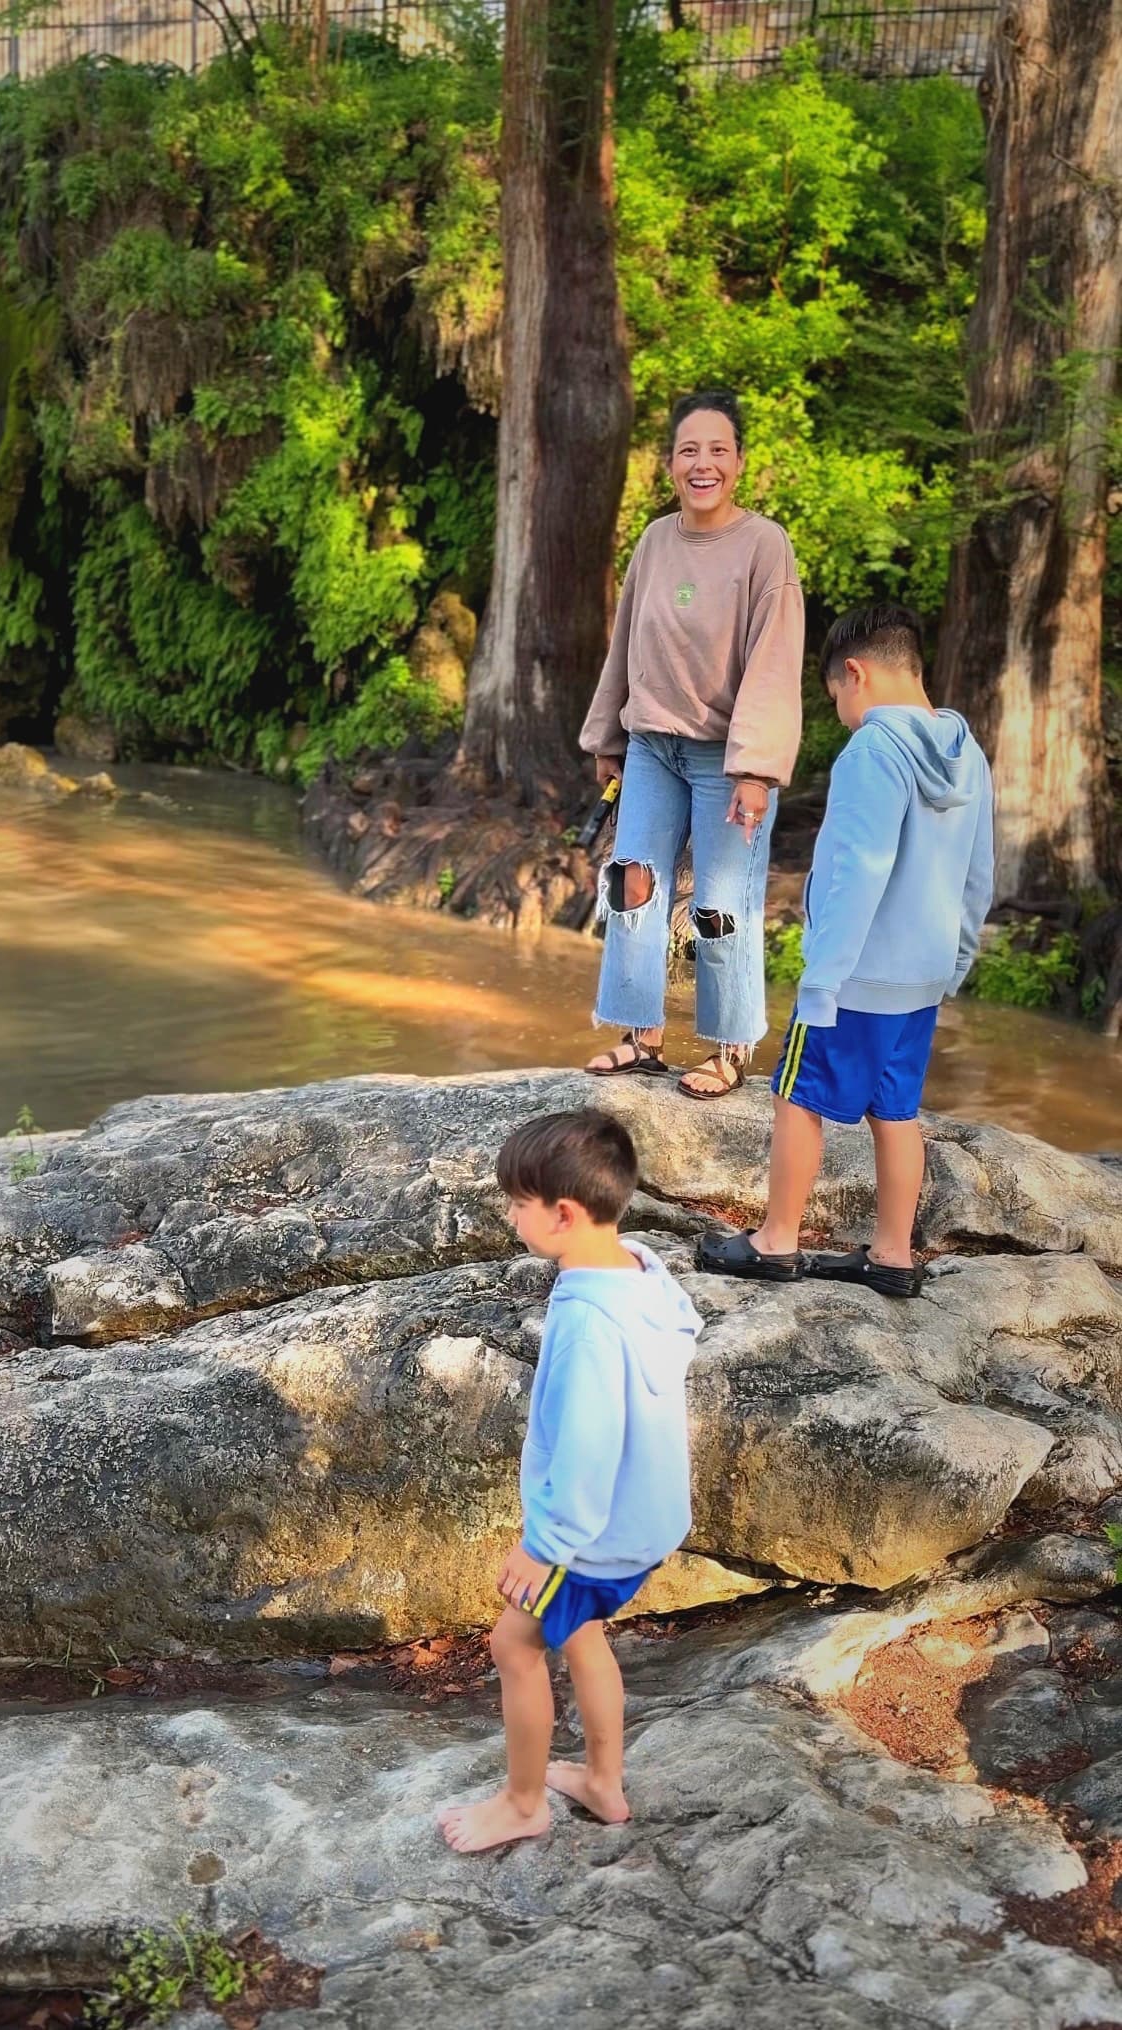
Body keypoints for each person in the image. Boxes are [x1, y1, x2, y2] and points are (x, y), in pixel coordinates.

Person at [699, 602, 995, 1299]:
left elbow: (860, 868)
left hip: (857, 975)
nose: (841, 711)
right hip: (920, 977)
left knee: (797, 1097)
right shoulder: (967, 751)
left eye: (835, 697)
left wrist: (822, 978)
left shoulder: (872, 751)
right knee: (895, 1110)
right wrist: (956, 962)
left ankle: (776, 1241)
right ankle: (892, 1255)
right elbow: (980, 871)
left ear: (855, 674)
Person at [438, 1109, 699, 1854]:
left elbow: (587, 1449)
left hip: (591, 1534)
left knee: (514, 1649)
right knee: (582, 1635)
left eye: (517, 1204)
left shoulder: (588, 1325)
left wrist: (546, 1545)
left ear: (562, 1214)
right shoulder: (640, 1270)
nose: (510, 1215)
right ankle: (603, 1781)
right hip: (644, 1520)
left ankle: (523, 1803)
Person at [581, 388, 805, 1100]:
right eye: (687, 450)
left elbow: (775, 660)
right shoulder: (653, 540)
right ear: (670, 464)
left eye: (717, 449)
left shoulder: (764, 545)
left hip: (723, 759)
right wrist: (606, 733)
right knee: (631, 886)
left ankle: (730, 1050)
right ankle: (639, 1038)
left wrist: (756, 771)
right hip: (651, 746)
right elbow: (625, 642)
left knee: (718, 902)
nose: (701, 463)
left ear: (738, 462)